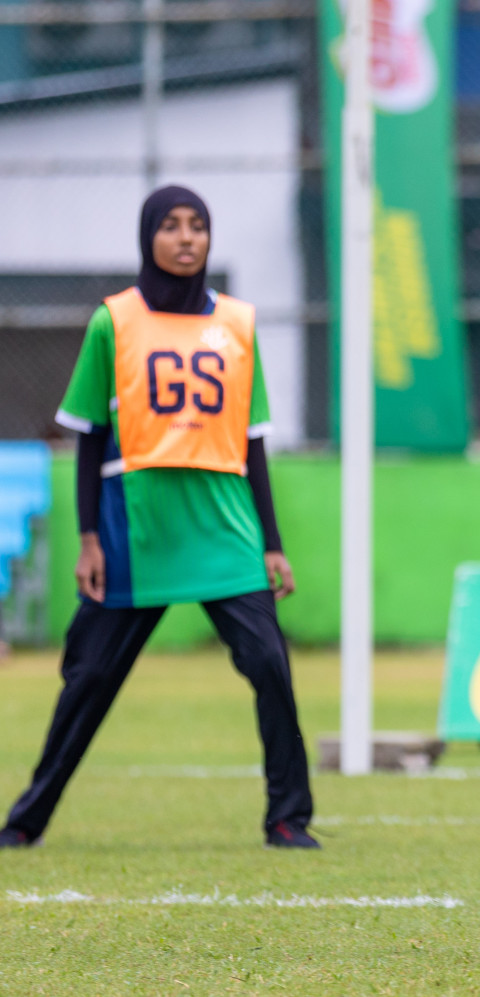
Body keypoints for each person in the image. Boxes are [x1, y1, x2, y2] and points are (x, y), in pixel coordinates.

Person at [0, 185, 318, 851]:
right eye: (170, 225)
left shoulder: (238, 322)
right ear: (148, 237)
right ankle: (27, 819)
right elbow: (88, 435)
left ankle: (288, 817)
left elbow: (251, 440)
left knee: (268, 664)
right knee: (88, 679)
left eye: (197, 225)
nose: (185, 237)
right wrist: (89, 536)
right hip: (134, 531)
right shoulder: (111, 322)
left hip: (225, 530)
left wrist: (273, 543)